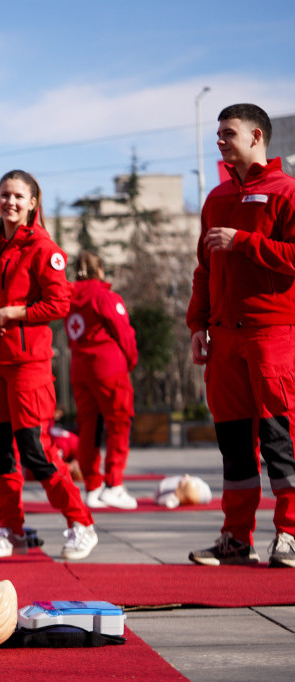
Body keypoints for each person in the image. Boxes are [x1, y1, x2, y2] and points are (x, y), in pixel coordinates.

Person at [186, 103, 295, 568]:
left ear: (256, 136)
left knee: (279, 438)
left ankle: (289, 534)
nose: (220, 141)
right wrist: (197, 325)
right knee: (234, 444)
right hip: (223, 339)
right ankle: (235, 537)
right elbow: (203, 270)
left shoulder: (286, 191)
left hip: (273, 333)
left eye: (228, 133)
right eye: (218, 134)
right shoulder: (216, 199)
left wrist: (245, 242)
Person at [0, 170, 97, 561]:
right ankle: (11, 531)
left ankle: (81, 524)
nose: (10, 201)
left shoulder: (43, 248)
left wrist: (11, 312)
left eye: (19, 196)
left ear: (32, 204)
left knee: (35, 449)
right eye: (5, 194)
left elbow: (59, 303)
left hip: (28, 363)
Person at [65, 251, 139, 509]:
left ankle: (93, 486)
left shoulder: (68, 298)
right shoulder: (106, 297)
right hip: (109, 368)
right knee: (119, 422)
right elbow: (124, 332)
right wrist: (130, 359)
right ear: (100, 271)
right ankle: (115, 484)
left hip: (80, 368)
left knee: (88, 428)